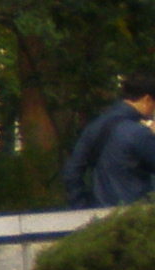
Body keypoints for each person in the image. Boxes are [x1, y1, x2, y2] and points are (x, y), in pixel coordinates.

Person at [61, 76, 155, 208]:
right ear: (147, 99)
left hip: (99, 209)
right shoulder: (139, 133)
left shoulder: (95, 126)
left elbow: (73, 170)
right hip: (135, 210)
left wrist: (80, 206)